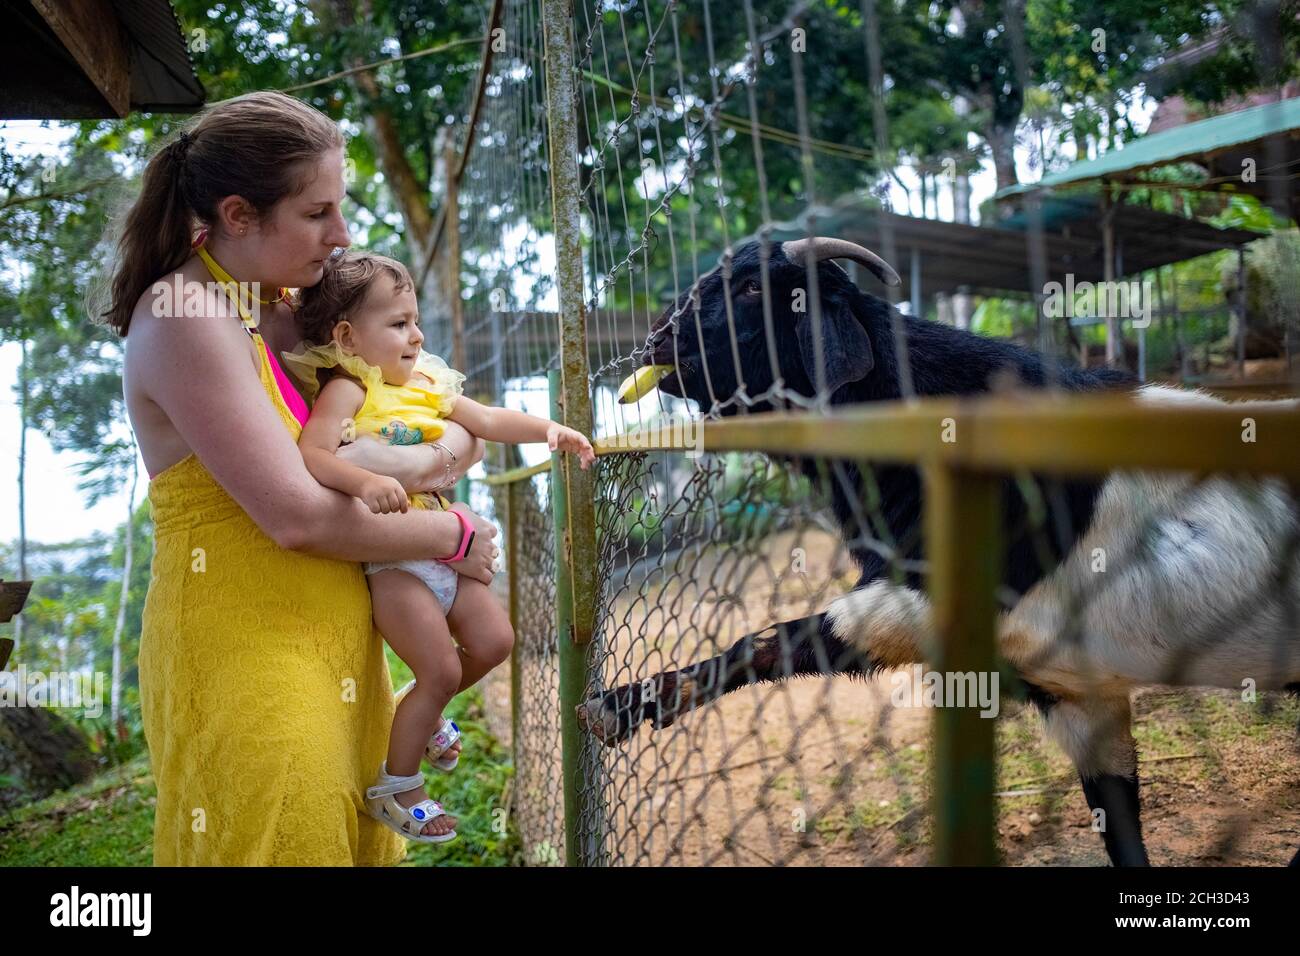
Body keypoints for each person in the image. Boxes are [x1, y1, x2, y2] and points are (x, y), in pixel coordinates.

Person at [105, 90, 496, 865]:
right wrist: (451, 530)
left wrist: (432, 455)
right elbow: (299, 518)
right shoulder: (185, 314)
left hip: (339, 648)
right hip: (246, 653)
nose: (342, 235)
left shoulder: (287, 310)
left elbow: (428, 408)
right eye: (317, 213)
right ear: (240, 214)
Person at [282, 250, 595, 842]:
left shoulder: (428, 381)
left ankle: (420, 708)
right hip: (395, 561)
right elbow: (313, 456)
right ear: (349, 336)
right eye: (398, 324)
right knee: (441, 667)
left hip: (446, 548)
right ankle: (397, 786)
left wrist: (547, 429)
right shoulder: (349, 389)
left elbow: (486, 421)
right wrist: (368, 481)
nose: (416, 335)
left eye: (415, 320)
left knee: (496, 641)